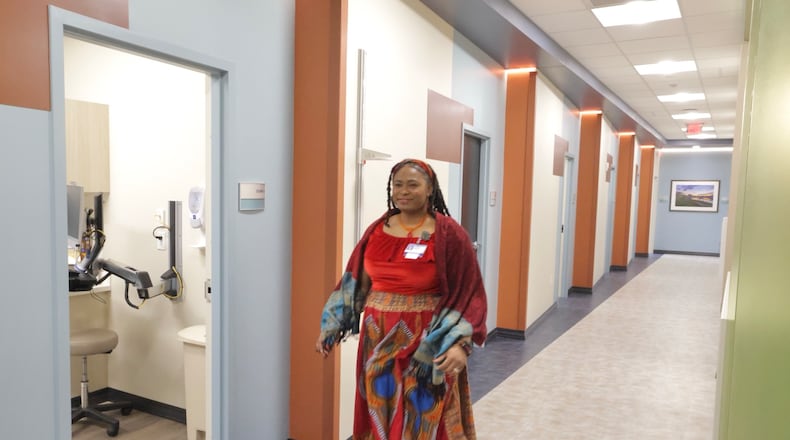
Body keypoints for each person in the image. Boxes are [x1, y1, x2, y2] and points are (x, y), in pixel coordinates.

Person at [316, 158, 488, 439]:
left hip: (428, 340)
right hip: (377, 337)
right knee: (381, 406)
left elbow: (469, 293)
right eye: (398, 185)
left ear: (430, 188)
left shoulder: (449, 234)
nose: (403, 191)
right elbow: (355, 280)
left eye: (412, 185)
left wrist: (459, 344)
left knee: (424, 411)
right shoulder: (377, 229)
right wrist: (332, 325)